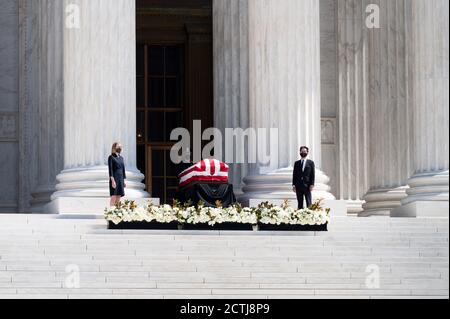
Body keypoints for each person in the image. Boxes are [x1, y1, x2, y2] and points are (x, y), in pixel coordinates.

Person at [108, 142, 127, 206]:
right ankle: (110, 212)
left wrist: (123, 181)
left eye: (121, 146)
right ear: (114, 147)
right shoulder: (111, 157)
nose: (120, 148)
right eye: (119, 146)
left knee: (119, 197)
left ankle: (116, 212)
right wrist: (112, 181)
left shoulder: (121, 158)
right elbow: (110, 169)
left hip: (120, 179)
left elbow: (123, 169)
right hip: (114, 178)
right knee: (113, 197)